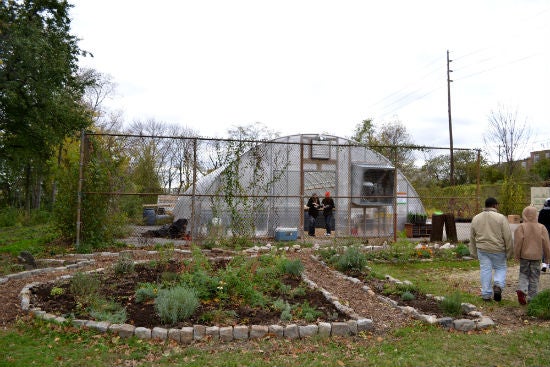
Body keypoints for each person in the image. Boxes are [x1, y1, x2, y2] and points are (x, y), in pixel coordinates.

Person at [469, 197, 513, 302]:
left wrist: (473, 252)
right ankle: (498, 285)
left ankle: (486, 295)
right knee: (500, 268)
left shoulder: (476, 218)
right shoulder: (501, 218)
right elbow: (508, 236)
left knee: (485, 270)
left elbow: (472, 237)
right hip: (498, 249)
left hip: (482, 249)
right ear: (495, 205)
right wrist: (509, 252)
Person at [513, 205, 550, 305]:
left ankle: (522, 289)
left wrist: (516, 255)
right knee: (534, 277)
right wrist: (547, 258)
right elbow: (547, 244)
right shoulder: (542, 227)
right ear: (536, 215)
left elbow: (518, 243)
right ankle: (532, 298)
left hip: (524, 255)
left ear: (524, 215)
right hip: (537, 256)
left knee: (524, 274)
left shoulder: (521, 227)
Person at [537, 198, 550, 272]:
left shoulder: (542, 211)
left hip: (544, 231)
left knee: (544, 247)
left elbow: (539, 222)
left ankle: (544, 264)